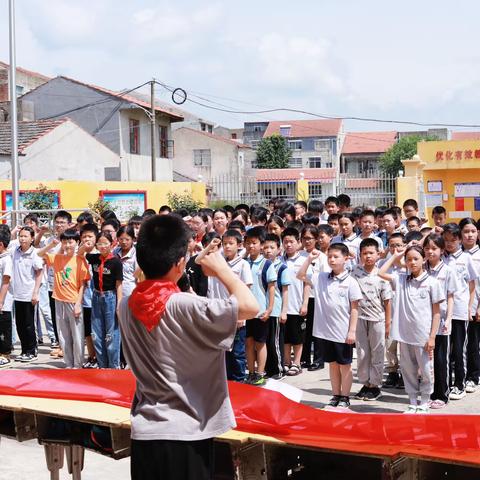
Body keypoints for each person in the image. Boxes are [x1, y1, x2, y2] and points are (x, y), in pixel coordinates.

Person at [118, 214, 258, 480]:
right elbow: (250, 306)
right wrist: (222, 269)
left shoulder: (126, 305)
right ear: (180, 263)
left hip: (146, 431)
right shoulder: (184, 306)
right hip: (187, 433)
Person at [379, 245, 444, 413]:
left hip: (423, 337)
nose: (412, 262)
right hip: (404, 334)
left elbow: (436, 313)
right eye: (409, 259)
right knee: (408, 370)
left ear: (424, 259)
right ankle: (413, 400)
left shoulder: (432, 283)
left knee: (427, 371)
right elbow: (381, 272)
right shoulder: (400, 280)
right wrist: (396, 256)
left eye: (416, 258)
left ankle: (425, 400)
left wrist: (432, 337)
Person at [299, 243, 362, 409]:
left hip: (343, 332)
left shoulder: (351, 282)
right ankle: (335, 395)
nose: (332, 260)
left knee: (345, 366)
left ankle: (345, 397)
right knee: (333, 365)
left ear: (346, 258)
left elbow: (354, 308)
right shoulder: (321, 277)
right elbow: (300, 275)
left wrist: (352, 331)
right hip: (325, 332)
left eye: (336, 256)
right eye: (330, 257)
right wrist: (309, 259)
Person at [38, 228, 91, 369]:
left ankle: (78, 364)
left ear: (77, 242)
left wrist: (79, 304)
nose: (68, 245)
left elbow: (83, 285)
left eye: (70, 242)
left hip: (73, 301)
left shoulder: (80, 260)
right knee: (63, 334)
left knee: (77, 335)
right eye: (65, 242)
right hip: (58, 300)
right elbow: (39, 253)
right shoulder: (57, 258)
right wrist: (52, 245)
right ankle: (68, 363)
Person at [207, 229, 252, 382]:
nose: (227, 247)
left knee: (237, 351)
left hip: (236, 313)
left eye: (231, 243)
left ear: (239, 245)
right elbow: (200, 260)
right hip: (220, 312)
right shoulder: (219, 263)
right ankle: (226, 381)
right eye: (225, 243)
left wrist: (242, 314)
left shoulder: (243, 264)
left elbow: (246, 289)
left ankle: (239, 380)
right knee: (222, 349)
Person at [352, 238, 392, 401]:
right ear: (360, 255)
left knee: (377, 352)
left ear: (378, 255)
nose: (368, 256)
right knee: (362, 352)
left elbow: (387, 301)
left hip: (377, 319)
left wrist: (388, 323)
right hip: (360, 318)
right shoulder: (354, 272)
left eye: (371, 253)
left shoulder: (382, 275)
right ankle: (365, 383)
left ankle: (375, 385)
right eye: (364, 253)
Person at [442, 223, 478, 400]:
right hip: (442, 313)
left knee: (459, 350)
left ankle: (460, 384)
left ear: (459, 239)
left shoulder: (465, 258)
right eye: (446, 240)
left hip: (460, 310)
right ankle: (446, 383)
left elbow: (472, 284)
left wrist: (470, 308)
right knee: (445, 351)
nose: (449, 243)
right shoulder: (441, 258)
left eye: (453, 240)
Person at [424, 233, 458, 409]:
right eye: (427, 248)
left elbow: (451, 296)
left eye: (434, 248)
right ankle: (429, 392)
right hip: (424, 321)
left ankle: (442, 395)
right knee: (426, 360)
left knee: (441, 359)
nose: (430, 252)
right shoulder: (421, 269)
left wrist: (449, 319)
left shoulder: (448, 270)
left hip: (442, 319)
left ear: (442, 250)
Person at [81, 232, 124, 369]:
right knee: (97, 333)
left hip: (110, 297)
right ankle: (102, 365)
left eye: (106, 243)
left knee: (111, 333)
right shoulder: (94, 258)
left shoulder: (116, 261)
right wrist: (88, 244)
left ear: (112, 244)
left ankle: (113, 366)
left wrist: (119, 304)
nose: (103, 246)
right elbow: (80, 253)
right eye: (100, 243)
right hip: (96, 296)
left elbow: (119, 284)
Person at [244, 227, 277, 386]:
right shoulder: (243, 263)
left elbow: (271, 288)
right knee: (248, 342)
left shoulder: (266, 264)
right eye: (248, 243)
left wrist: (269, 309)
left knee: (260, 343)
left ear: (261, 245)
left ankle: (260, 373)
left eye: (254, 243)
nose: (251, 246)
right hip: (246, 311)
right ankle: (250, 372)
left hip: (261, 311)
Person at [12, 226, 44, 362]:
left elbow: (39, 273)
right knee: (19, 324)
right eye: (21, 236)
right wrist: (13, 231)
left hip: (29, 294)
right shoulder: (15, 251)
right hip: (17, 294)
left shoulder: (34, 253)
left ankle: (32, 350)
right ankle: (24, 350)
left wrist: (35, 292)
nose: (22, 239)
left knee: (29, 324)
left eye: (25, 236)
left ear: (32, 238)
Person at [281, 227, 310, 376]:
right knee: (285, 337)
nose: (288, 245)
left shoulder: (304, 260)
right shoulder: (279, 260)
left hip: (297, 304)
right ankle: (286, 361)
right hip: (283, 307)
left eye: (291, 242)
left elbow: (307, 284)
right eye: (285, 242)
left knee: (298, 336)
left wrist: (305, 303)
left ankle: (297, 363)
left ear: (299, 243)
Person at [263, 233, 290, 379]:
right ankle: (268, 368)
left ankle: (279, 369)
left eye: (272, 247)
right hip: (264, 310)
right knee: (265, 342)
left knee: (275, 342)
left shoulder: (282, 268)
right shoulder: (262, 265)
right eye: (265, 247)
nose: (268, 250)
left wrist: (284, 311)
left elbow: (285, 291)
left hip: (276, 310)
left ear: (279, 250)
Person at [300, 226, 327, 371]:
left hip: (316, 297)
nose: (307, 241)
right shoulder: (300, 255)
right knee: (304, 330)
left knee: (317, 330)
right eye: (304, 238)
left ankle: (318, 359)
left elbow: (325, 278)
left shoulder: (322, 257)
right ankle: (304, 358)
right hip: (301, 297)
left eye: (310, 238)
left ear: (316, 240)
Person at [460, 218, 480, 393]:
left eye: (473, 231)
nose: (470, 235)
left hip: (476, 307)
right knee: (460, 345)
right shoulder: (455, 255)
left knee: (473, 344)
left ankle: (473, 377)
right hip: (459, 307)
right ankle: (460, 376)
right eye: (466, 231)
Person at [79, 223, 99, 369]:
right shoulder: (80, 255)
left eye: (90, 236)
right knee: (87, 331)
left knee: (98, 331)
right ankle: (91, 356)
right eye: (84, 236)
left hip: (99, 299)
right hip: (85, 299)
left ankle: (99, 357)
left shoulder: (100, 253)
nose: (87, 239)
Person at [0, 229, 13, 367]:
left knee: (4, 328)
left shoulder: (6, 260)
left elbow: (6, 281)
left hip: (4, 301)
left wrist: (1, 301)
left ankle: (5, 353)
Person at [114, 225, 138, 297]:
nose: (124, 242)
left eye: (127, 239)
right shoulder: (114, 252)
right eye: (121, 239)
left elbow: (137, 277)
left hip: (130, 293)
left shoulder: (136, 255)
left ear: (133, 239)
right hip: (115, 292)